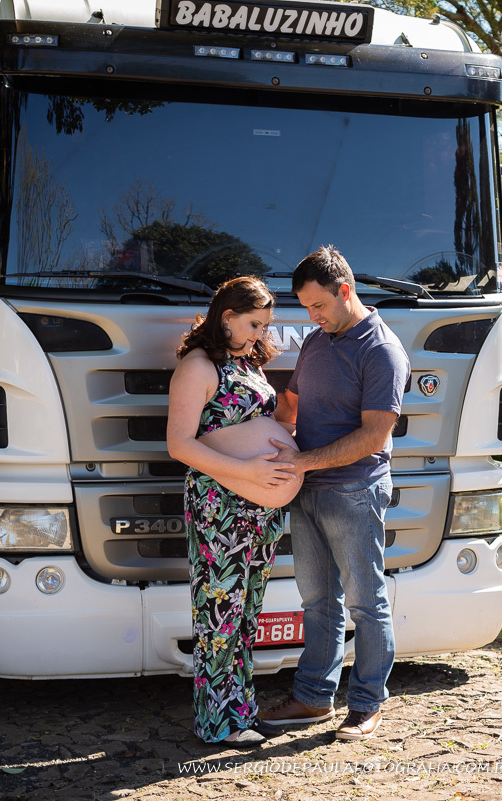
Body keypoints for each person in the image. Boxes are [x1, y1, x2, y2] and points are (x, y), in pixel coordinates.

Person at [260, 245, 411, 741]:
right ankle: (313, 699)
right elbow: (292, 405)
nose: (311, 316)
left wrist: (302, 459)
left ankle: (367, 704)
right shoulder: (316, 342)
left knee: (366, 602)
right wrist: (266, 444)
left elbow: (374, 436)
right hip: (307, 491)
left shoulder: (382, 350)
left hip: (355, 491)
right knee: (318, 601)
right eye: (305, 308)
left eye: (318, 306)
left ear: (345, 291)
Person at [166, 275, 297, 746]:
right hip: (219, 506)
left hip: (258, 509)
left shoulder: (247, 364)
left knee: (245, 616)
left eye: (265, 325)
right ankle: (217, 722)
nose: (260, 334)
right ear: (227, 317)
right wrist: (246, 474)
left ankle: (242, 711)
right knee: (217, 613)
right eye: (254, 323)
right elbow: (179, 445)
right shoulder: (198, 367)